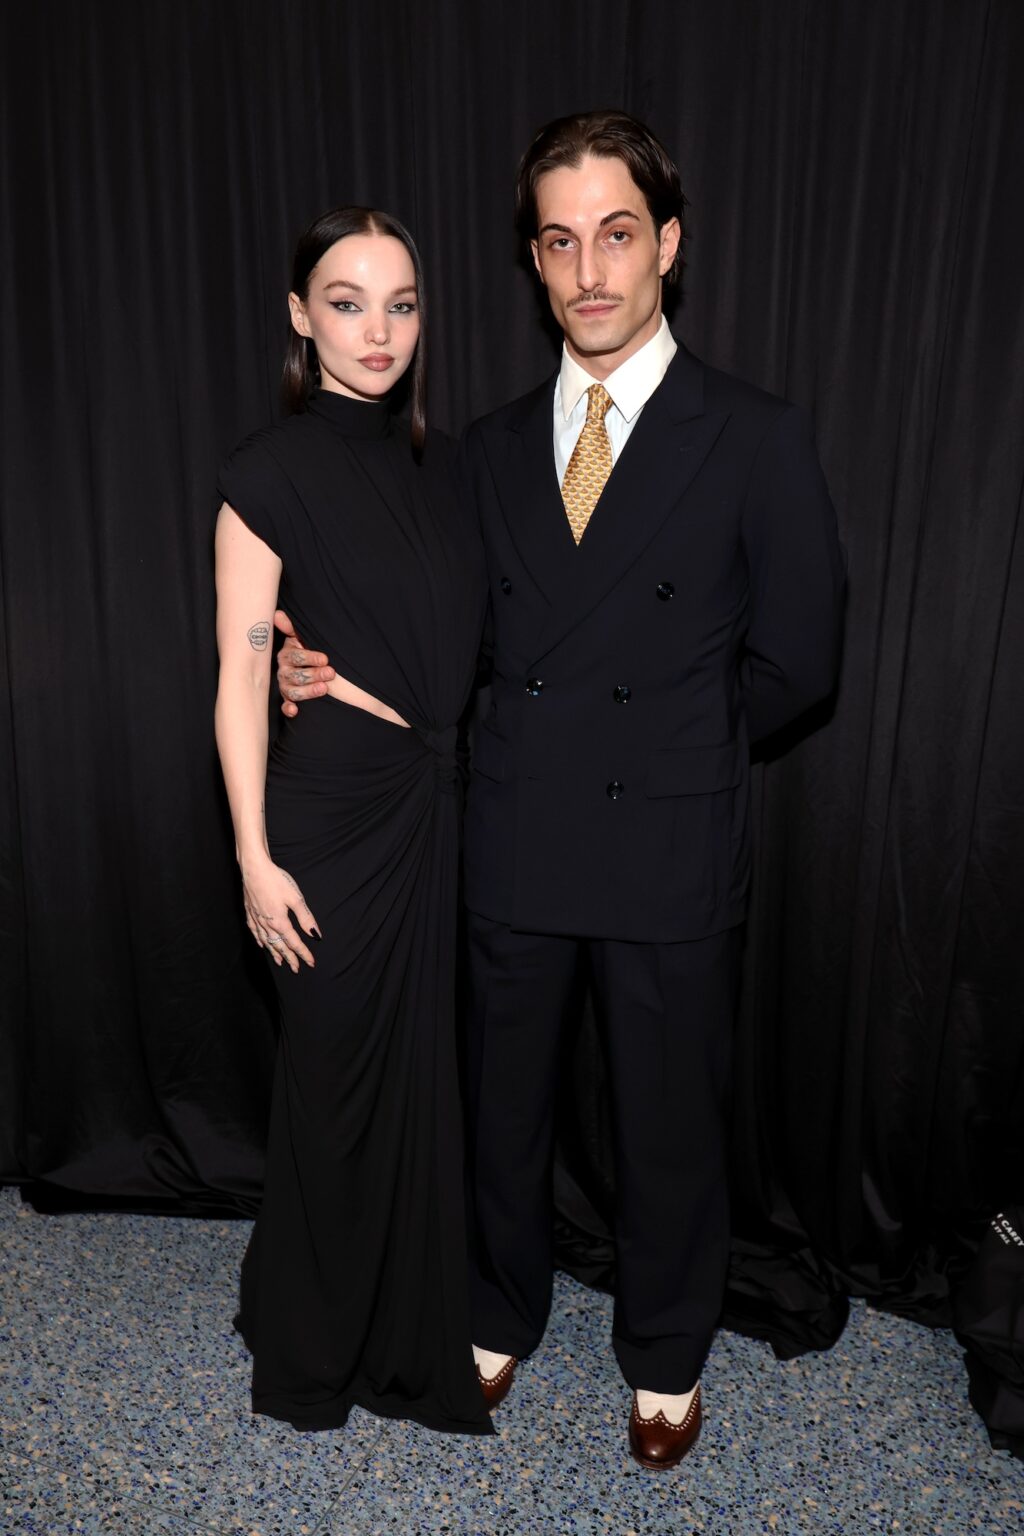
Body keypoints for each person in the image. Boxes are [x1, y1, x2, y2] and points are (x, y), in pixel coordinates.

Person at [276, 110, 846, 1470]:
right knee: (502, 1107)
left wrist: (679, 755)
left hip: (669, 838)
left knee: (667, 1117)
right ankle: (494, 1311)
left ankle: (663, 1355)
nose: (590, 270)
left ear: (669, 247)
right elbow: (442, 642)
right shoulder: (475, 449)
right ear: (533, 263)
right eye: (559, 241)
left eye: (618, 233)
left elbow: (802, 658)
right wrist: (323, 670)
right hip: (515, 833)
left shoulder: (755, 437)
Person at [213, 206, 491, 1436]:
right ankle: (314, 1352)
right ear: (297, 314)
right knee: (330, 1090)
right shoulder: (266, 472)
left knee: (420, 1091)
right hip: (324, 820)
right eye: (345, 301)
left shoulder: (448, 468)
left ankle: (393, 1324)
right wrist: (251, 860)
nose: (375, 331)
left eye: (401, 304)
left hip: (432, 811)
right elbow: (234, 678)